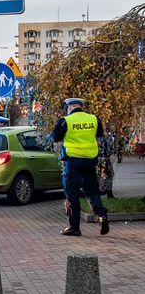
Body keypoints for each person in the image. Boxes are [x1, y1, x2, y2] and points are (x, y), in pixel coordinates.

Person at [51, 97, 108, 236]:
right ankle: (102, 217)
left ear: (70, 107)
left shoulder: (65, 121)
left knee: (72, 194)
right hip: (89, 161)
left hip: (72, 161)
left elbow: (55, 137)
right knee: (92, 191)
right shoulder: (94, 119)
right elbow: (100, 133)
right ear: (81, 106)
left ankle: (74, 226)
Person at [97, 133, 116, 199]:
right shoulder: (106, 139)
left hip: (96, 158)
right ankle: (109, 192)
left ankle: (96, 190)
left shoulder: (95, 138)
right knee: (109, 175)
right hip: (105, 158)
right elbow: (111, 150)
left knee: (98, 174)